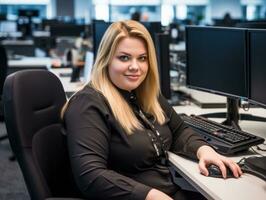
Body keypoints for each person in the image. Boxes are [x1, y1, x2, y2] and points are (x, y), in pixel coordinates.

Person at [62, 20, 242, 200]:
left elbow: (178, 131)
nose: (135, 67)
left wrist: (204, 151)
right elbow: (91, 175)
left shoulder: (143, 94)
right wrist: (150, 196)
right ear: (106, 59)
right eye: (124, 57)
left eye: (142, 58)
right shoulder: (88, 104)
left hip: (168, 191)